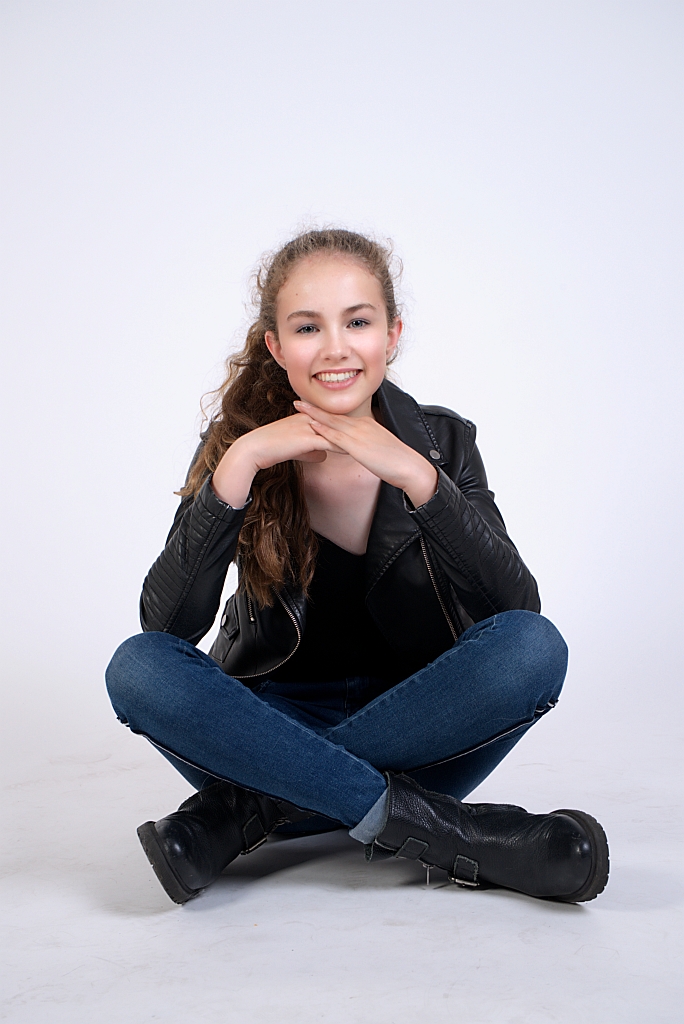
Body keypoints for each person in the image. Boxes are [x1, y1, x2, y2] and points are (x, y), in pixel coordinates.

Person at [105, 228, 609, 906]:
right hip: (262, 728)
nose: (335, 348)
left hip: (420, 732)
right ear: (276, 346)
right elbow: (167, 628)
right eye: (307, 327)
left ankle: (248, 810)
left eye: (358, 322)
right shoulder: (237, 447)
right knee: (136, 667)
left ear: (391, 335)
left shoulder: (442, 441)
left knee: (534, 649)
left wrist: (418, 477)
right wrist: (240, 465)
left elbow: (512, 610)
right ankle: (444, 832)